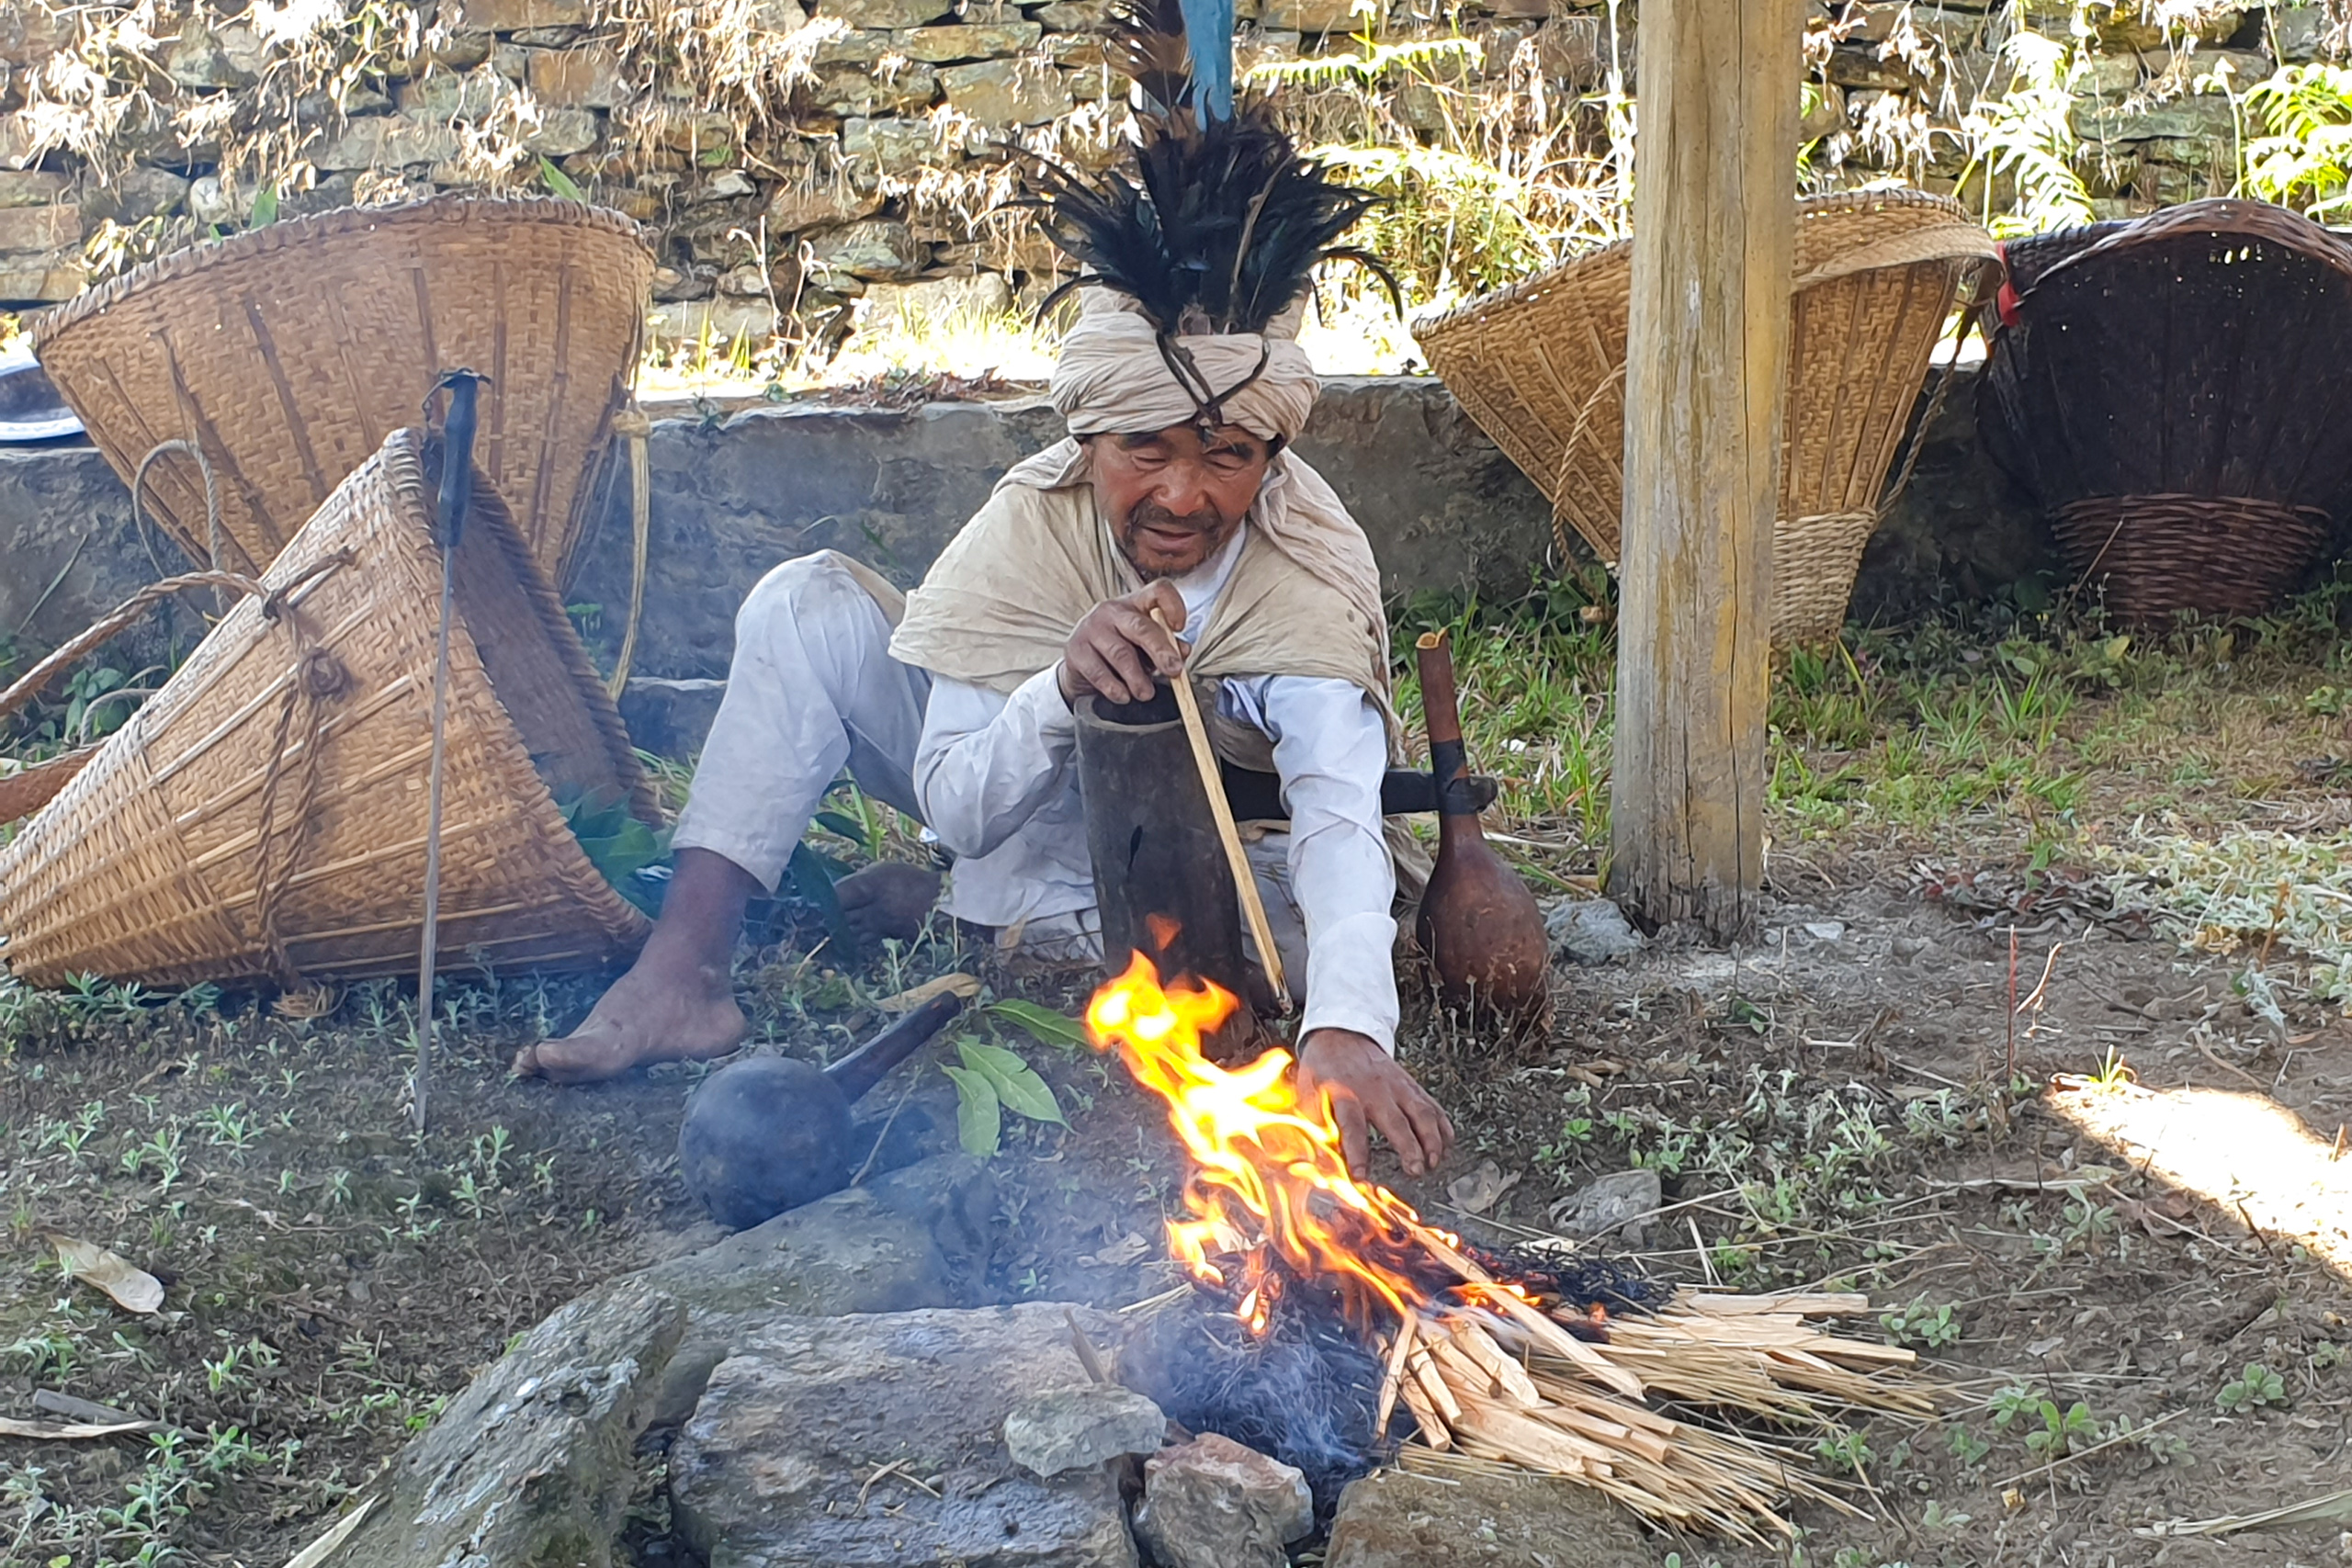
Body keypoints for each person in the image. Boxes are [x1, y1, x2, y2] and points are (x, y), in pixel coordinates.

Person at [514, 0, 1455, 1179]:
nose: (1181, 495)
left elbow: (1332, 812)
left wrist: (1347, 1036)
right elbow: (958, 801)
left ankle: (980, 919)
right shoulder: (1032, 521)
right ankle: (683, 972)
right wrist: (1061, 681)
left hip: (1223, 847)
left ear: (1270, 457)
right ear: (1089, 437)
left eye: (1224, 455)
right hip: (1011, 809)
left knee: (1275, 968)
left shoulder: (1306, 558)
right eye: (1142, 452)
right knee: (805, 602)